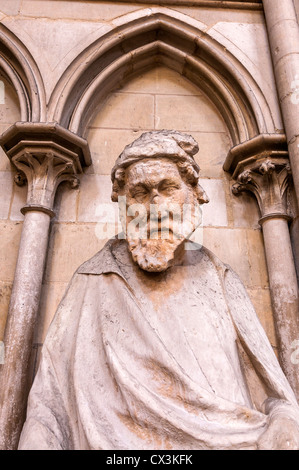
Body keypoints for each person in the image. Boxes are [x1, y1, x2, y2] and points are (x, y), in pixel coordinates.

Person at [18, 130, 299, 450]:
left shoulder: (220, 278)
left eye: (167, 188)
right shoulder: (92, 280)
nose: (154, 204)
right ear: (123, 205)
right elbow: (48, 406)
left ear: (194, 194)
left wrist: (285, 422)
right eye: (140, 192)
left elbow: (278, 398)